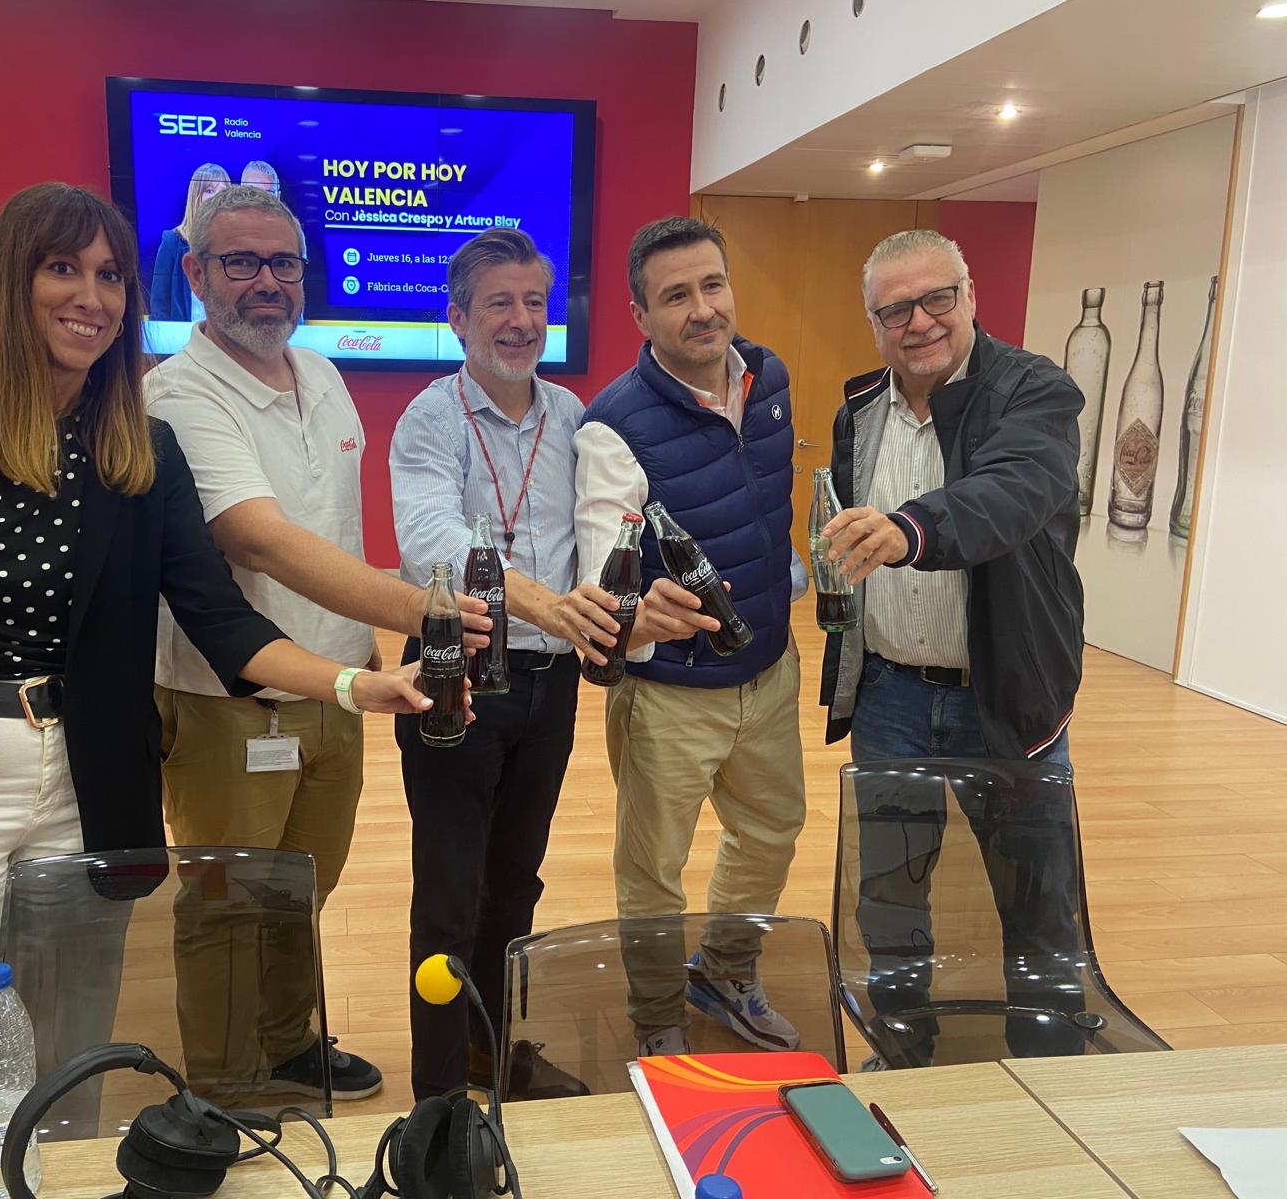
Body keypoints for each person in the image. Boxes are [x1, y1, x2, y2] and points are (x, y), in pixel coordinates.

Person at [0, 182, 439, 1153]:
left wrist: (354, 684)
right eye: (62, 268)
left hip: (84, 788)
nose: (88, 295)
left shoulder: (138, 450)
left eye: (108, 276)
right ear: (8, 280)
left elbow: (223, 624)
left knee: (66, 1073)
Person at [145, 183, 488, 1101]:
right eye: (241, 262)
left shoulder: (322, 373)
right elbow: (259, 537)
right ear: (195, 275)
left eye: (283, 263)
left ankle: (286, 1041)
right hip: (229, 701)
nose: (267, 281)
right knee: (227, 901)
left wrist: (366, 647)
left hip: (340, 685)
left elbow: (333, 530)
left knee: (301, 887)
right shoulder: (176, 394)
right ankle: (222, 1085)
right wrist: (426, 611)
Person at [818, 228, 1087, 1065]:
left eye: (938, 298)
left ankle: (1047, 1071)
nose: (920, 321)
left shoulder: (1036, 393)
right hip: (891, 697)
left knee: (1036, 898)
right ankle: (900, 1045)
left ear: (971, 297)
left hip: (1006, 694)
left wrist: (910, 529)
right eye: (895, 308)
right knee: (888, 895)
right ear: (873, 322)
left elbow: (1008, 494)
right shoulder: (858, 411)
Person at [389, 229, 629, 1101]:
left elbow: (608, 528)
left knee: (516, 879)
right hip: (458, 674)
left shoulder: (574, 417)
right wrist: (536, 600)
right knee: (449, 890)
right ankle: (440, 1094)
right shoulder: (430, 417)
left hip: (550, 683)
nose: (523, 321)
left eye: (536, 301)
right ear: (458, 319)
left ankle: (497, 1051)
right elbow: (427, 546)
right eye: (500, 303)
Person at [574, 216, 809, 1057]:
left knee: (773, 830)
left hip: (768, 672)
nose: (703, 309)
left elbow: (763, 500)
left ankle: (726, 968)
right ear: (641, 315)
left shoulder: (769, 375)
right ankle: (657, 1019)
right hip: (669, 695)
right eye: (676, 296)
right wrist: (636, 611)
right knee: (653, 870)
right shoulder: (613, 426)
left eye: (713, 286)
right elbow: (603, 581)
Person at [151, 163, 229, 321]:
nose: (216, 197)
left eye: (222, 191)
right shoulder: (172, 241)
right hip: (183, 338)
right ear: (196, 198)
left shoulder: (234, 246)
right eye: (209, 191)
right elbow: (159, 303)